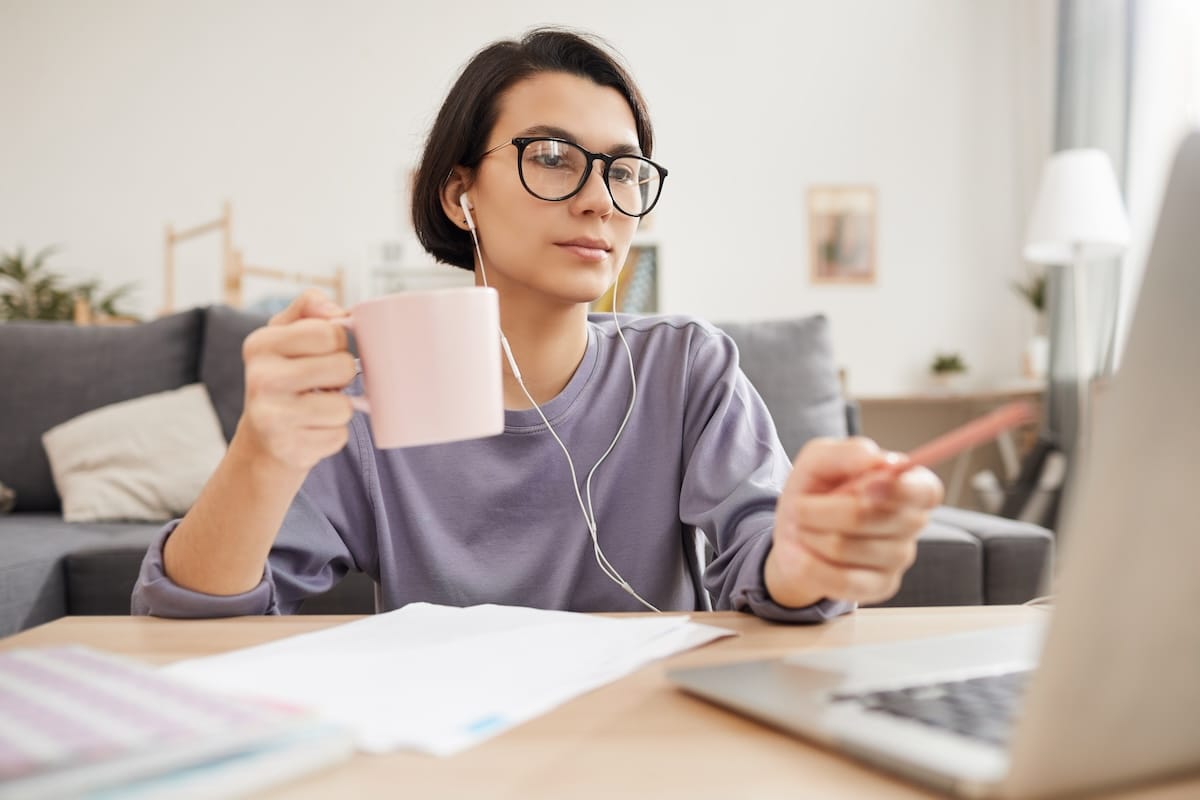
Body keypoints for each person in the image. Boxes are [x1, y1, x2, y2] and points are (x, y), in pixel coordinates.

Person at [132, 28, 942, 622]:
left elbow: (768, 563)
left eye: (624, 171)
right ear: (460, 194)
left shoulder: (686, 368)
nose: (599, 200)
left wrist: (806, 558)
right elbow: (186, 620)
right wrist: (259, 454)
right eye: (552, 157)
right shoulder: (367, 393)